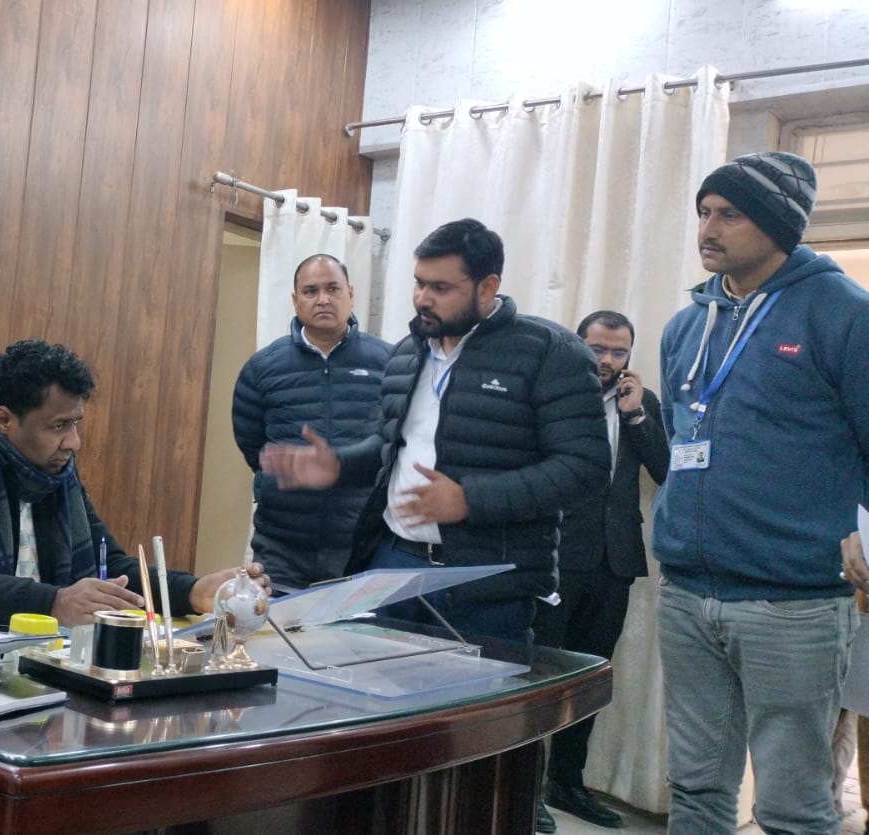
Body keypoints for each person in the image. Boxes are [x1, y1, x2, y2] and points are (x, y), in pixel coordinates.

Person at [259, 218, 609, 647]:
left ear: (487, 287)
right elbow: (392, 447)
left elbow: (585, 468)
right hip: (393, 568)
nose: (422, 299)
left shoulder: (550, 353)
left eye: (440, 288)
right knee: (380, 686)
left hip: (486, 585)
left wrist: (469, 499)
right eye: (419, 283)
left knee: (478, 692)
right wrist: (338, 465)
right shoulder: (407, 353)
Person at [655, 151, 869, 833]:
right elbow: (680, 438)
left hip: (793, 601)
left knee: (791, 806)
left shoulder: (844, 314)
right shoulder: (685, 326)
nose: (707, 228)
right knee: (694, 790)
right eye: (703, 212)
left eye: (729, 214)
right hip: (687, 593)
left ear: (778, 225)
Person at [0, 339, 269, 626]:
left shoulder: (55, 473)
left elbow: (111, 570)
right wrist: (52, 602)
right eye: (58, 426)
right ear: (4, 420)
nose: (74, 442)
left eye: (76, 423)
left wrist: (192, 591)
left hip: (25, 660)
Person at [533, 310, 668, 829]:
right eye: (598, 349)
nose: (608, 360)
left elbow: (666, 469)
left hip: (614, 561)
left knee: (589, 680)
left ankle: (567, 783)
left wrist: (635, 417)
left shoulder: (642, 401)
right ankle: (527, 787)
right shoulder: (553, 394)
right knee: (540, 679)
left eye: (618, 351)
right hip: (556, 558)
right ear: (578, 345)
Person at [232, 254, 389, 592]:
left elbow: (393, 443)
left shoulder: (388, 362)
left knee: (354, 629)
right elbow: (252, 445)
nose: (323, 299)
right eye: (311, 291)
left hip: (361, 546)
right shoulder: (262, 368)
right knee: (274, 625)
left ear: (351, 294)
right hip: (281, 547)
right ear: (295, 301)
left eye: (333, 288)